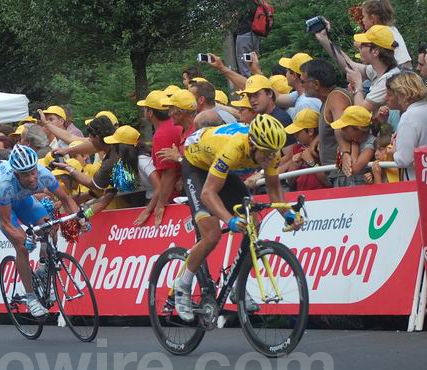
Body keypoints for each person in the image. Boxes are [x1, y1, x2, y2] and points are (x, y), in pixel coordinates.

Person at [175, 114, 301, 320]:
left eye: (274, 152)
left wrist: (288, 214)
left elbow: (273, 189)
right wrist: (229, 219)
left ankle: (236, 284)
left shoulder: (269, 151)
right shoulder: (233, 148)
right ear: (252, 144)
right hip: (196, 165)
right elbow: (208, 193)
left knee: (254, 220)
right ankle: (182, 285)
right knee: (212, 234)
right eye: (266, 153)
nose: (271, 157)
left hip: (221, 166)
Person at [0, 145, 88, 317]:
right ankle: (31, 298)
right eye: (26, 175)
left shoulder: (44, 174)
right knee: (22, 246)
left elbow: (65, 199)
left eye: (33, 172)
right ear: (16, 174)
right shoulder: (4, 184)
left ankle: (42, 269)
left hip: (22, 197)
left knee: (50, 227)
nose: (32, 178)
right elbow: (7, 222)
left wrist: (79, 218)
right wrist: (24, 238)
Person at [301, 59, 354, 184]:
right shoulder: (329, 99)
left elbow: (342, 127)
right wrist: (318, 139)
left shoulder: (336, 97)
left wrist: (345, 152)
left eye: (303, 81)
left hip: (344, 174)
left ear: (316, 84)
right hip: (338, 173)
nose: (301, 85)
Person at [138, 90, 180, 228]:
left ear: (150, 113)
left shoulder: (161, 135)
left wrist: (157, 205)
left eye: (145, 108)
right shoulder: (176, 125)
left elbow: (169, 174)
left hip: (174, 201)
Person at [386, 72, 427, 180]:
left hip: (416, 179)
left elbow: (403, 159)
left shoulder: (409, 117)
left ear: (402, 93)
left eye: (395, 92)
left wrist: (394, 150)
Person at [330, 106, 377, 186]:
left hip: (363, 191)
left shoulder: (371, 142)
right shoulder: (349, 141)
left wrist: (354, 146)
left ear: (358, 128)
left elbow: (354, 169)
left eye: (345, 127)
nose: (342, 129)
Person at [283, 109, 330, 190]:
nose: (294, 135)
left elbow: (328, 182)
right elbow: (290, 182)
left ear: (310, 131)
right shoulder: (296, 148)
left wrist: (311, 162)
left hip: (323, 197)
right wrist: (294, 166)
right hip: (302, 196)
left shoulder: (322, 149)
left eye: (297, 133)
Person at [360, 0, 411, 68]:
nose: (362, 20)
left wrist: (360, 45)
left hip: (398, 71)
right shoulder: (392, 29)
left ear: (372, 18)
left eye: (364, 16)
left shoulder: (381, 33)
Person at [277, 53, 322, 118]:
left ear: (294, 75)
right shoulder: (302, 94)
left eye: (287, 71)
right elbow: (277, 98)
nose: (286, 74)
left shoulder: (305, 103)